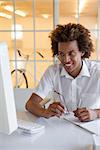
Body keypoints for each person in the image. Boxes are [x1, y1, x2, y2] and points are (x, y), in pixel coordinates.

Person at [25, 23, 100, 122]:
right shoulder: (52, 72)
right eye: (61, 54)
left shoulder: (97, 72)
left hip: (92, 131)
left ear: (82, 51)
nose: (66, 60)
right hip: (60, 129)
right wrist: (45, 112)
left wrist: (96, 113)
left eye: (71, 53)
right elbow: (30, 104)